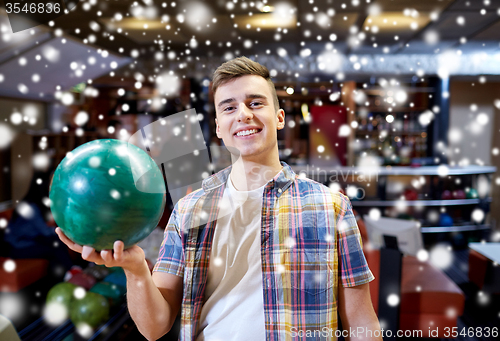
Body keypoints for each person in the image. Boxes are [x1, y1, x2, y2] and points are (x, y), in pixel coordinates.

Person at [56, 56, 382, 340]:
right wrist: (135, 269)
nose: (243, 114)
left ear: (279, 118)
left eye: (256, 103)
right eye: (229, 107)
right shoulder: (189, 210)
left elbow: (362, 322)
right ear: (219, 127)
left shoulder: (331, 207)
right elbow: (154, 327)